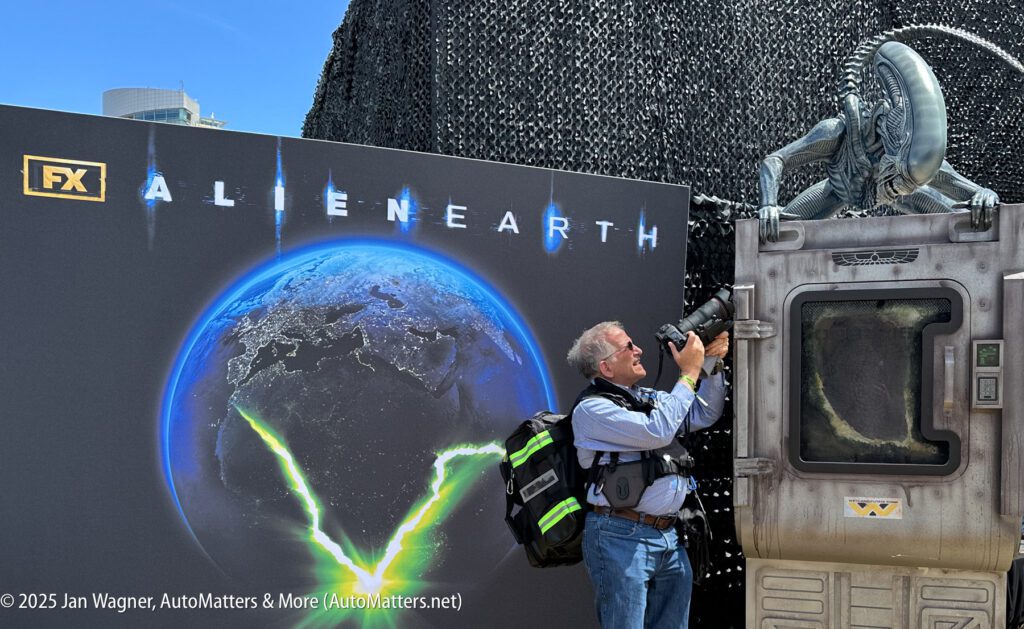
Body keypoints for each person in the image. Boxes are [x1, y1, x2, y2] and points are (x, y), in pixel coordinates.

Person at [566, 321, 729, 629]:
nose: (638, 349)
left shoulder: (646, 398)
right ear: (607, 367)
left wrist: (711, 363)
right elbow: (658, 430)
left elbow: (703, 413)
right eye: (628, 346)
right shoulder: (592, 410)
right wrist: (689, 373)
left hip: (668, 536)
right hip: (620, 536)